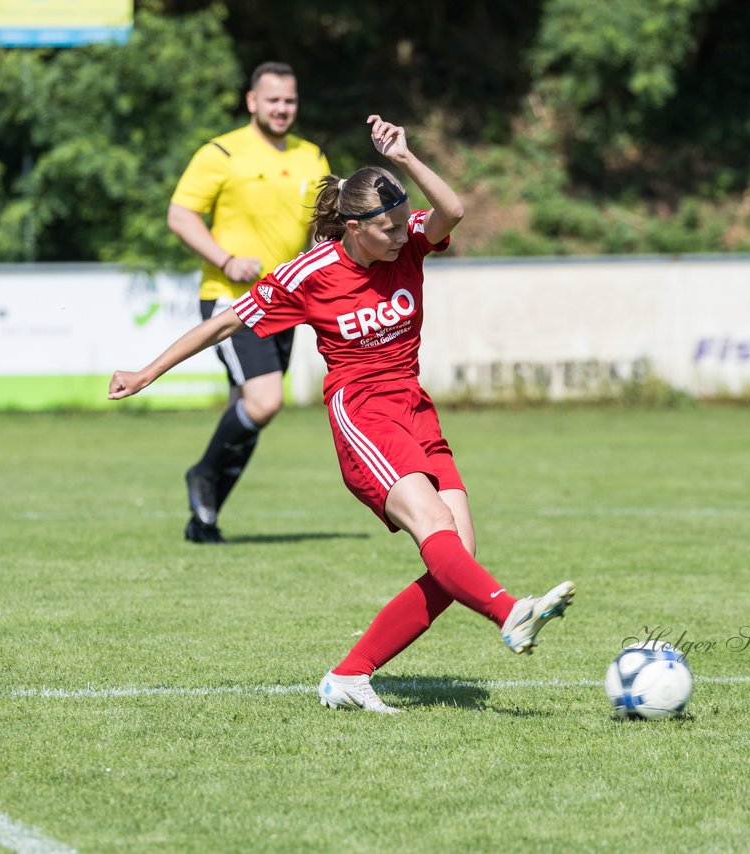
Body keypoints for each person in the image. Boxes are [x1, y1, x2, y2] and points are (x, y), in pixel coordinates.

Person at [112, 115, 575, 713]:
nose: (398, 238)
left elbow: (452, 211)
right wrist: (149, 371)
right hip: (363, 416)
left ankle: (351, 674)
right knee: (436, 528)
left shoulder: (406, 241)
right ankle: (510, 612)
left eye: (398, 225)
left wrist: (406, 158)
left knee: (460, 549)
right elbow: (227, 320)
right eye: (383, 230)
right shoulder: (314, 274)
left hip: (415, 407)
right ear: (353, 229)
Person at [167, 61, 331, 544]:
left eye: (290, 101)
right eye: (273, 100)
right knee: (265, 401)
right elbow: (181, 215)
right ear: (252, 101)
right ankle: (200, 474)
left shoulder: (312, 157)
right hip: (232, 298)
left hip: (285, 302)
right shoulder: (221, 152)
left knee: (246, 410)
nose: (283, 109)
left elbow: (321, 228)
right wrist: (226, 257)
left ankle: (205, 519)